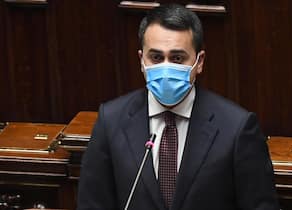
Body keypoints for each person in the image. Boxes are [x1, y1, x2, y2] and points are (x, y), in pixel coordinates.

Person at [77, 3, 279, 210]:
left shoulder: (237, 127)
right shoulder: (111, 120)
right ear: (141, 60)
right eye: (156, 57)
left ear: (199, 62)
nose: (166, 67)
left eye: (177, 58)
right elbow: (92, 204)